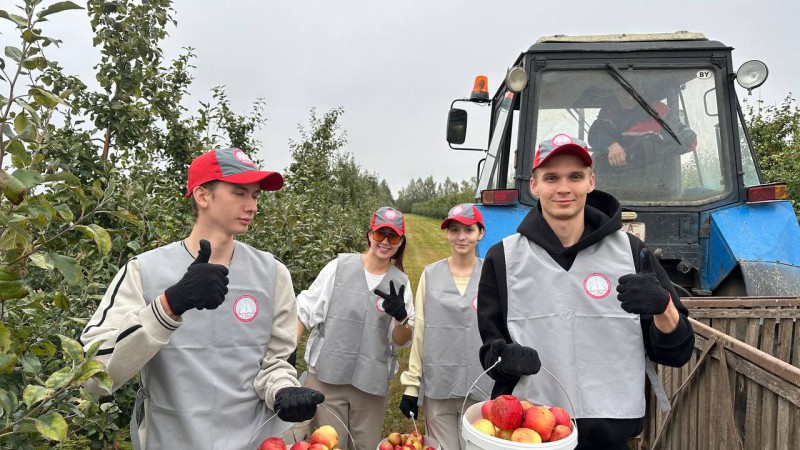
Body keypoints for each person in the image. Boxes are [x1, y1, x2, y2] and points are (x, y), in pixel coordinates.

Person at [80, 148, 324, 449]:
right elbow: (92, 377)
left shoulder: (272, 274)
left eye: (255, 196)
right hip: (173, 439)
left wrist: (284, 390)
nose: (252, 206)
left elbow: (276, 362)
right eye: (239, 193)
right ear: (203, 196)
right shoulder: (145, 271)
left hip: (255, 441)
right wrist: (169, 305)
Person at [478, 134, 695, 450]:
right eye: (551, 177)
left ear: (591, 182)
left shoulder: (631, 252)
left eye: (575, 176)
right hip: (530, 432)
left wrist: (664, 307)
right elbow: (489, 352)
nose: (564, 188)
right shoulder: (504, 258)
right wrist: (505, 358)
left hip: (610, 432)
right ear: (534, 186)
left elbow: (678, 352)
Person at [296, 207, 415, 450]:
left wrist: (402, 318)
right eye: (380, 234)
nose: (385, 242)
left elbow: (401, 340)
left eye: (393, 237)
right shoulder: (339, 267)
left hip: (371, 382)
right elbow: (304, 310)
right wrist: (283, 360)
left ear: (400, 242)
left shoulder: (400, 283)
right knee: (326, 444)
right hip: (327, 377)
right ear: (369, 235)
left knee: (365, 445)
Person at [398, 203, 492, 450]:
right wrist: (411, 385)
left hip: (481, 384)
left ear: (480, 233)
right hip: (439, 384)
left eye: (469, 230)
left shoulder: (492, 274)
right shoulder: (430, 275)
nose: (461, 237)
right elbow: (420, 331)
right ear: (447, 233)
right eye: (454, 229)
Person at [588, 85, 697, 197]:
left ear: (642, 91)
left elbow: (690, 140)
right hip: (614, 186)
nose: (630, 98)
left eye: (634, 92)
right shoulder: (610, 111)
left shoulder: (659, 112)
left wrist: (659, 143)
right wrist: (611, 145)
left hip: (658, 187)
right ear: (616, 91)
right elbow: (595, 134)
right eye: (624, 92)